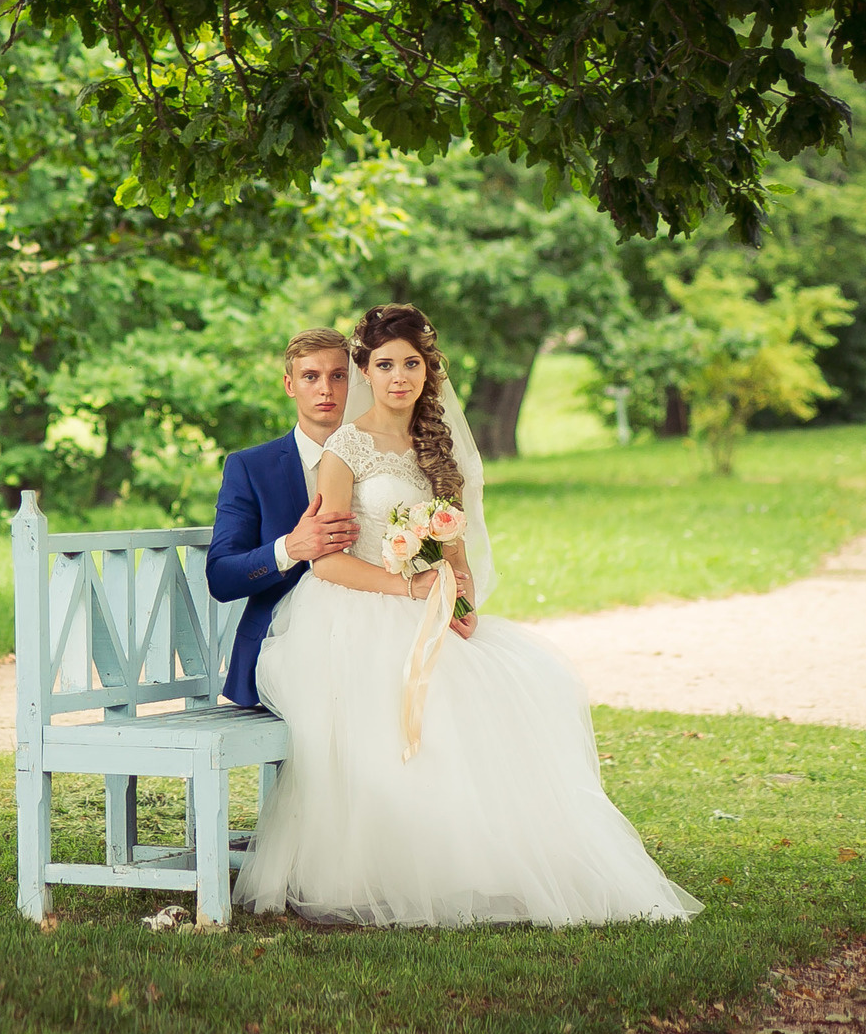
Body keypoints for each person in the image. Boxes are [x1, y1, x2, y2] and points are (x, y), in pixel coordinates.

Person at [236, 303, 703, 928]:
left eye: (412, 363)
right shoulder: (344, 451)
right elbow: (326, 564)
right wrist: (409, 590)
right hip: (356, 610)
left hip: (426, 604)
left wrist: (459, 597)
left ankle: (496, 860)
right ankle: (391, 868)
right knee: (417, 702)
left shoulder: (436, 445)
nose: (399, 376)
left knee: (522, 683)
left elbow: (453, 545)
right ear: (365, 372)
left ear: (429, 370)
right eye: (384, 364)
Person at [205, 328, 361, 709]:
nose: (326, 389)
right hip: (282, 649)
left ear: (355, 381)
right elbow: (221, 577)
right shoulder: (250, 468)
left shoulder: (383, 463)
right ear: (290, 385)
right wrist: (289, 548)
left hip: (369, 638)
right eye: (311, 377)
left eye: (338, 376)